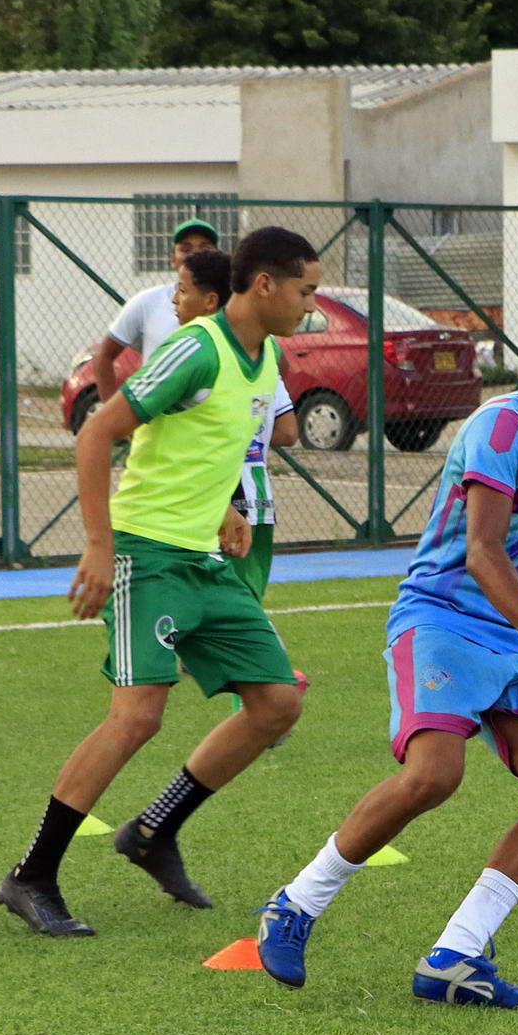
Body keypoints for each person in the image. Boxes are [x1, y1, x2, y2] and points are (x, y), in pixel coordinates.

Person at [256, 297, 518, 1007]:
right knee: (434, 775)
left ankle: (457, 953)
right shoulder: (501, 427)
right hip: (442, 618)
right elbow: (481, 550)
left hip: (516, 628)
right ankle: (294, 903)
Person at [0, 227, 316, 938]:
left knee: (276, 704)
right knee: (136, 715)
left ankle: (152, 829)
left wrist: (229, 509)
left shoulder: (265, 358)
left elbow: (207, 443)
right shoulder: (197, 345)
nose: (312, 305)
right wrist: (99, 545)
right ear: (264, 284)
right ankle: (32, 873)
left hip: (205, 556)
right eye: (306, 290)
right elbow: (98, 431)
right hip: (147, 553)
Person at [173, 248, 307, 704]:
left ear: (212, 300)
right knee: (242, 597)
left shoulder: (201, 354)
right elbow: (288, 431)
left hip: (222, 499)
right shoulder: (265, 358)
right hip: (260, 497)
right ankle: (256, 691)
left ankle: (261, 688)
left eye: (182, 290)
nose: (174, 299)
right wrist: (257, 432)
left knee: (231, 603)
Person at [92, 218, 221, 406]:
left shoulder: (235, 308)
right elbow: (103, 356)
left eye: (205, 247)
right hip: (159, 426)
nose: (195, 255)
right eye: (186, 249)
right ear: (173, 259)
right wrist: (112, 418)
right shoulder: (147, 302)